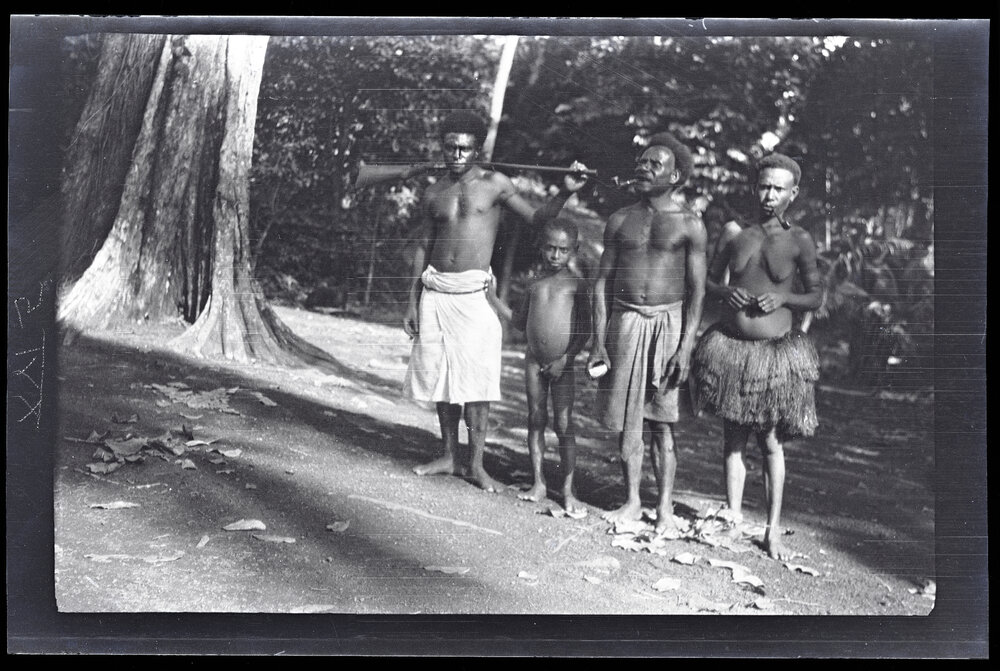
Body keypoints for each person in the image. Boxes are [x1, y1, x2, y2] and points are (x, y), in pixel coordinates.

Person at [402, 110, 589, 492]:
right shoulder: (434, 191)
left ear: (477, 150)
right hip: (436, 292)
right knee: (442, 379)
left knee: (476, 384)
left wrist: (565, 191)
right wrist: (411, 301)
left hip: (474, 294)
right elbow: (424, 244)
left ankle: (476, 465)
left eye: (464, 148)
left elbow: (537, 218)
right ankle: (448, 454)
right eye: (450, 147)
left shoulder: (495, 184)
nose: (456, 154)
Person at [691, 152, 822, 561]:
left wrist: (784, 297)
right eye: (764, 186)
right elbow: (710, 282)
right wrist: (726, 291)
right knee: (733, 440)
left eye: (778, 189)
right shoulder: (735, 233)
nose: (769, 195)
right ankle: (732, 519)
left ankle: (772, 530)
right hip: (732, 349)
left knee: (770, 442)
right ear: (754, 187)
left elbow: (816, 296)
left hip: (773, 356)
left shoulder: (799, 239)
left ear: (792, 194)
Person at [588, 132, 707, 536]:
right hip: (625, 323)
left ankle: (665, 508)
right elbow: (601, 284)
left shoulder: (690, 224)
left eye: (655, 164)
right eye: (641, 161)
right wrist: (598, 341)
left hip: (668, 325)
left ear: (675, 176)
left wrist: (685, 347)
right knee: (628, 418)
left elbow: (697, 291)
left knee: (662, 422)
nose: (643, 167)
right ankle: (632, 500)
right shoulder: (620, 219)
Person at [509, 218, 591, 514]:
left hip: (563, 364)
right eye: (550, 248)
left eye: (563, 250)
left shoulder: (577, 285)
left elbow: (584, 330)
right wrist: (491, 297)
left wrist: (566, 360)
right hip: (534, 361)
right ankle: (538, 482)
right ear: (541, 248)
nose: (555, 255)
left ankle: (568, 490)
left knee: (564, 425)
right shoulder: (534, 284)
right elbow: (519, 323)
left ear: (574, 250)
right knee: (535, 418)